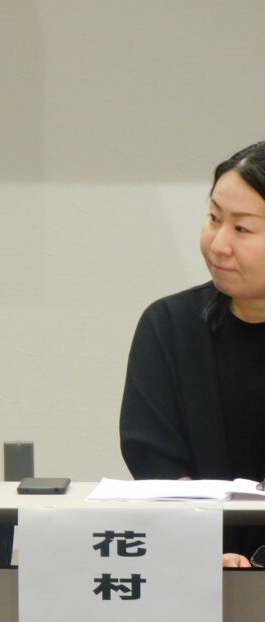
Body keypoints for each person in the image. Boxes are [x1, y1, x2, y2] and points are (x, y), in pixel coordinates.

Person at [120, 140, 265, 568]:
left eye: (242, 229)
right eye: (214, 218)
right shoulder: (169, 325)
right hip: (194, 561)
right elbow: (153, 456)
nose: (218, 244)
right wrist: (201, 547)